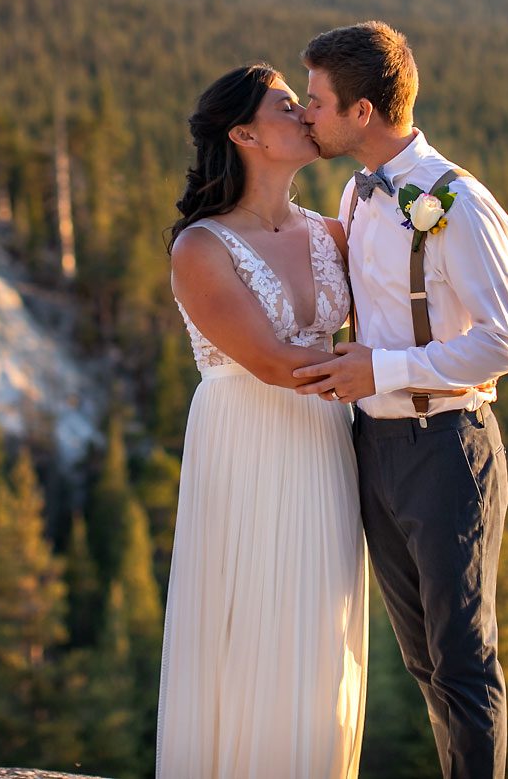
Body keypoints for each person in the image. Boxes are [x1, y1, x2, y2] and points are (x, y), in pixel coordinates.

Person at [292, 21, 508, 779]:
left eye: (317, 101)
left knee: (463, 662)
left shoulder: (457, 201)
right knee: (424, 662)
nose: (306, 114)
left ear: (362, 112)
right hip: (374, 449)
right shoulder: (355, 192)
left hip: (447, 447)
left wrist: (385, 369)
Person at [155, 63, 367, 779]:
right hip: (247, 440)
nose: (306, 114)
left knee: (319, 634)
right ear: (246, 133)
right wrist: (381, 369)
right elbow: (277, 363)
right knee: (254, 627)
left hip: (326, 443)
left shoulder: (330, 232)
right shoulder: (202, 246)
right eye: (287, 105)